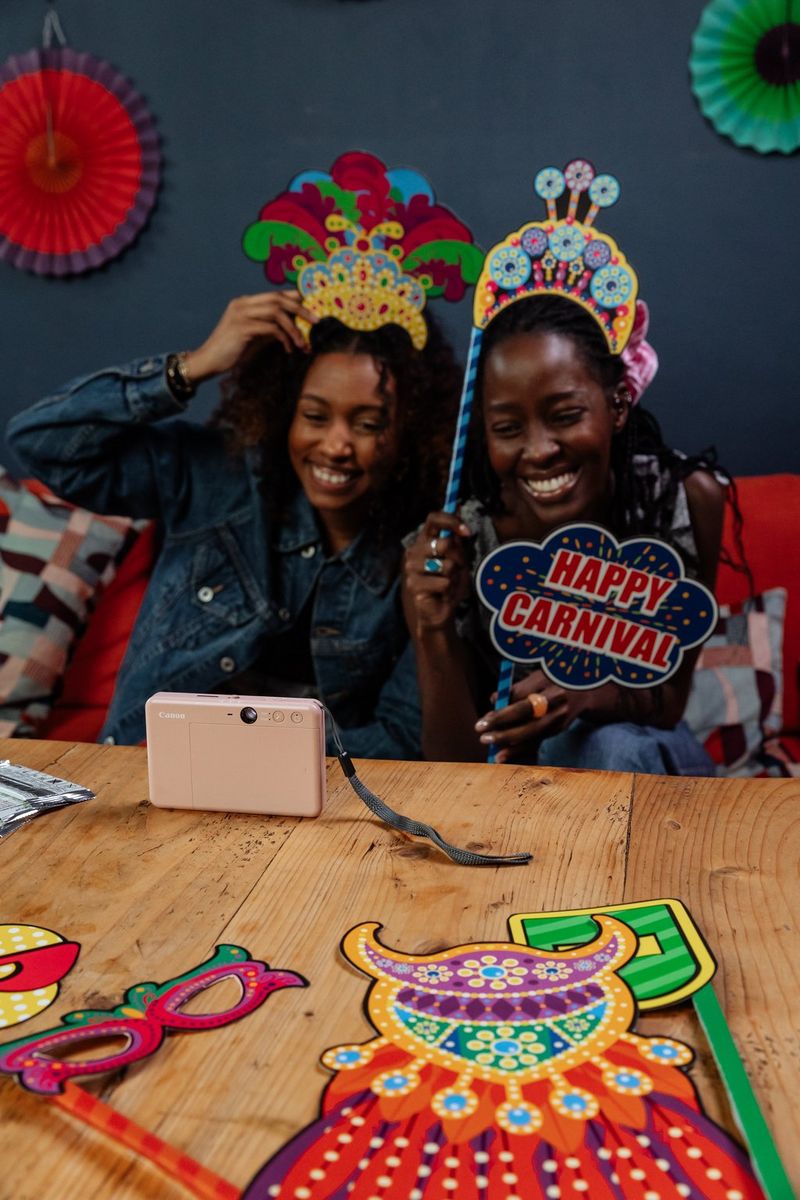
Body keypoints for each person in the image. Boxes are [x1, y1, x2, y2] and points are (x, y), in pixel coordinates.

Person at [7, 292, 461, 755]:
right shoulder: (217, 477)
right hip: (146, 772)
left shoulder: (422, 552)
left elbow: (405, 738)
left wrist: (250, 750)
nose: (336, 445)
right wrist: (192, 367)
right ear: (286, 412)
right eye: (314, 417)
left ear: (411, 428)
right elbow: (41, 444)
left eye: (367, 424)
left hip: (311, 795)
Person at [404, 162, 732, 772]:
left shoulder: (687, 501)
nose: (539, 449)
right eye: (508, 428)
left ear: (616, 403)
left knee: (608, 744)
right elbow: (449, 768)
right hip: (524, 795)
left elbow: (669, 702)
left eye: (564, 414)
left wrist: (586, 697)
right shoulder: (457, 547)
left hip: (649, 767)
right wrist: (432, 632)